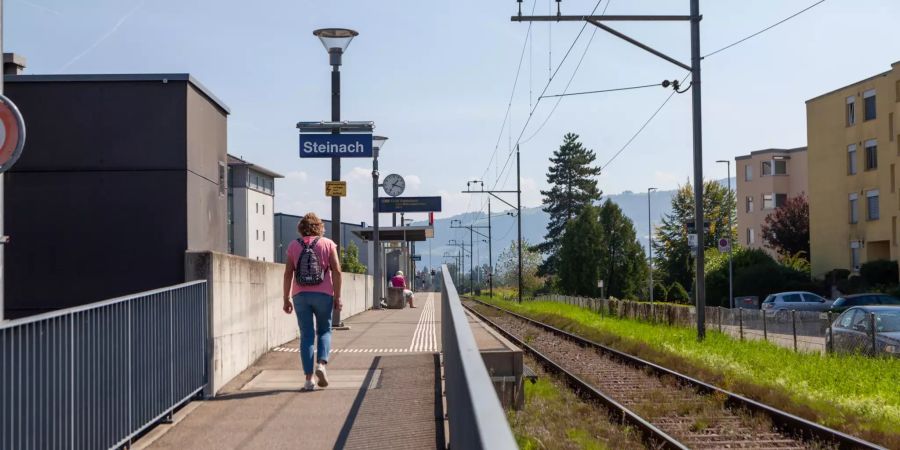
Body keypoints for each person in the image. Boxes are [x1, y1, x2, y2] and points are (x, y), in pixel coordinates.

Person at [282, 212, 342, 391]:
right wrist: (337, 296)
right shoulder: (328, 244)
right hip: (323, 294)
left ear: (301, 228)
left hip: (300, 295)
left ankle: (309, 380)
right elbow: (337, 271)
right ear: (320, 227)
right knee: (324, 330)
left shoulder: (293, 245)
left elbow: (288, 274)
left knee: (306, 335)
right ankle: (321, 365)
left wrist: (286, 298)